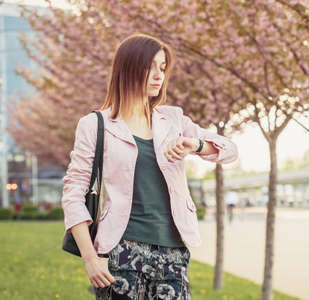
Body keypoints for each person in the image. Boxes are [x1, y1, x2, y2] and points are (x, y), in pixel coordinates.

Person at [61, 33, 238, 300]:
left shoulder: (173, 119)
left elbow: (230, 151)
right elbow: (74, 193)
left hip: (173, 253)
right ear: (128, 68)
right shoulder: (95, 125)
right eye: (150, 67)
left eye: (163, 67)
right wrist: (90, 258)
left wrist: (196, 145)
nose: (159, 75)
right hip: (121, 252)